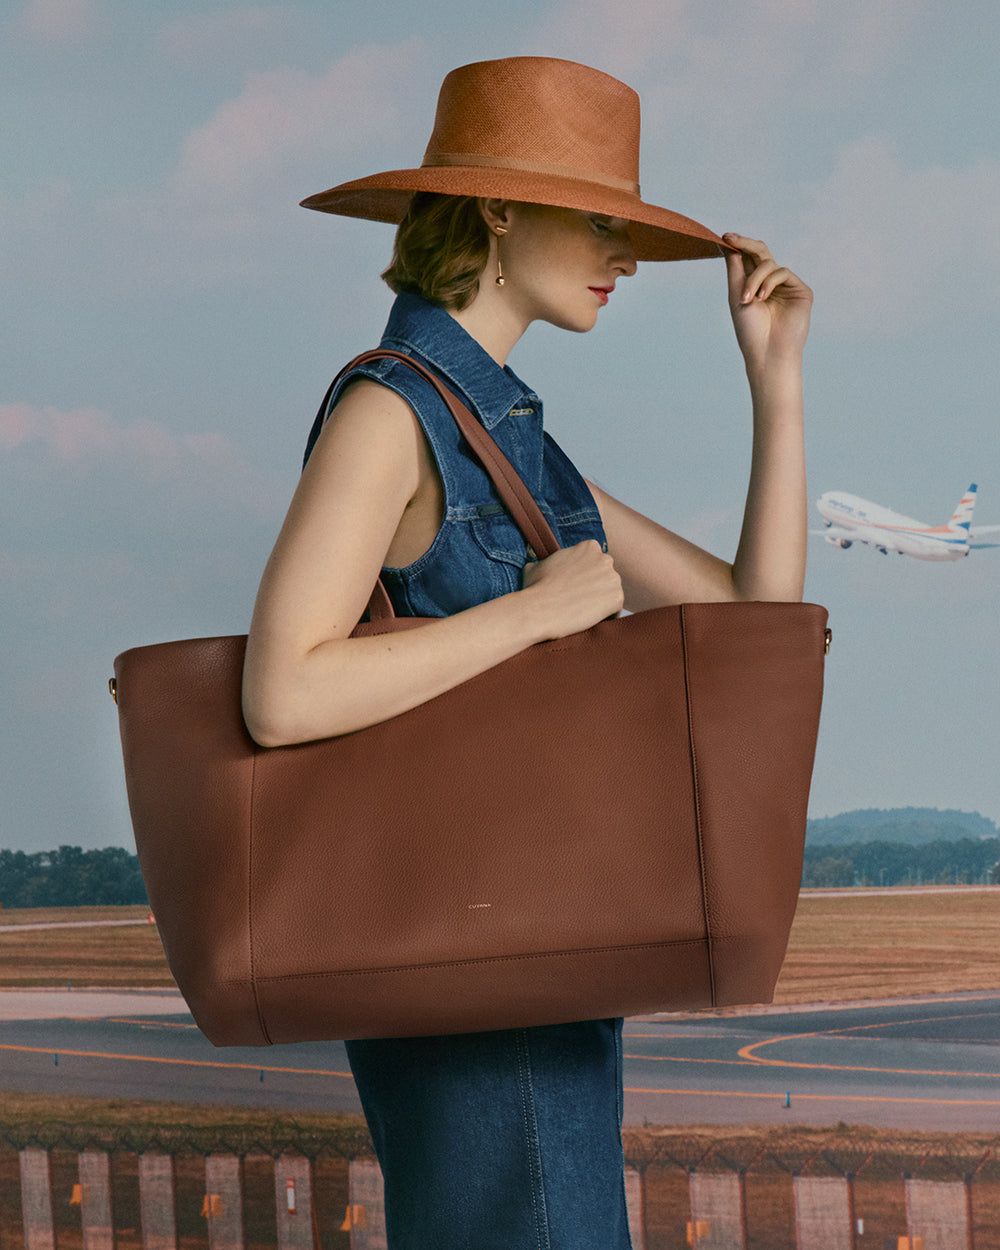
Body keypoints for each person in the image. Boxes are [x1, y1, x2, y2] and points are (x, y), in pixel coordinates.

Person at [242, 56, 812, 1250]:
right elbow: (282, 688)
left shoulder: (509, 442)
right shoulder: (390, 414)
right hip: (469, 960)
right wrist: (529, 615)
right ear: (497, 209)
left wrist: (776, 388)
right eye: (600, 220)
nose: (621, 260)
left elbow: (750, 618)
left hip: (533, 946)